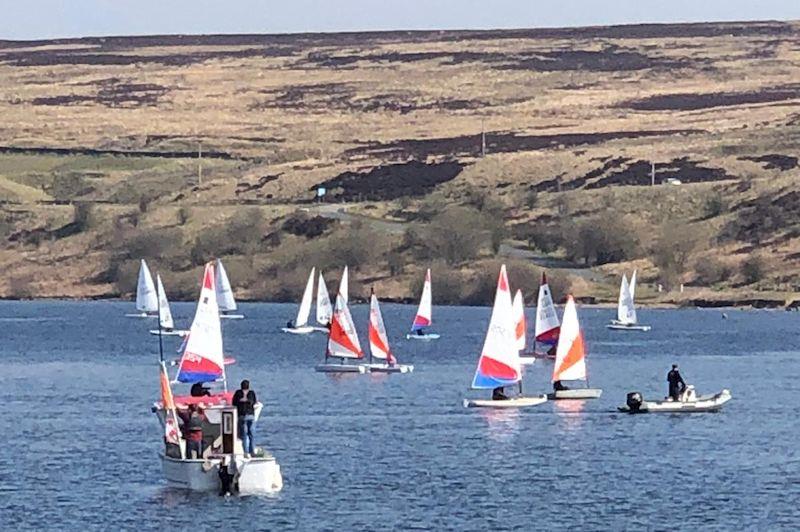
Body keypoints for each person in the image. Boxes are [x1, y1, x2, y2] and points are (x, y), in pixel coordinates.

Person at [233, 379, 257, 457]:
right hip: (250, 415)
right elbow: (253, 402)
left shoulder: (238, 393)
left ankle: (246, 452)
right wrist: (246, 401)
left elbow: (234, 403)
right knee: (251, 434)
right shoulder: (251, 393)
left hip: (242, 416)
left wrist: (242, 401)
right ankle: (251, 451)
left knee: (244, 434)